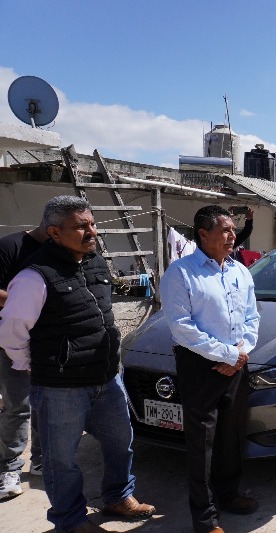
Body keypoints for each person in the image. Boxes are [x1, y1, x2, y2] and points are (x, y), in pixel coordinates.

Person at [0, 195, 154, 533]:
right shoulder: (35, 275)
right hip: (61, 387)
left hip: (106, 377)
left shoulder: (96, 263)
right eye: (81, 226)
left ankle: (118, 495)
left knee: (120, 441)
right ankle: (70, 521)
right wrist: (30, 364)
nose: (92, 232)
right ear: (54, 232)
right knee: (61, 459)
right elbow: (12, 328)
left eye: (93, 224)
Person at [160, 205, 260, 532]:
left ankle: (229, 494)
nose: (233, 235)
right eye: (226, 230)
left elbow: (251, 317)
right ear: (203, 234)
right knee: (202, 443)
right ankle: (205, 518)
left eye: (233, 229)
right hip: (201, 367)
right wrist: (226, 354)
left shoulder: (240, 271)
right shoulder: (181, 273)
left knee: (231, 435)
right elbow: (182, 327)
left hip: (236, 364)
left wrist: (240, 353)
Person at [0, 218, 47, 501]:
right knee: (17, 405)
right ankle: (8, 467)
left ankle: (40, 459)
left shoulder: (59, 249)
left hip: (46, 339)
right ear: (52, 226)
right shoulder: (9, 246)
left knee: (45, 402)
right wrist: (25, 303)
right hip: (11, 338)